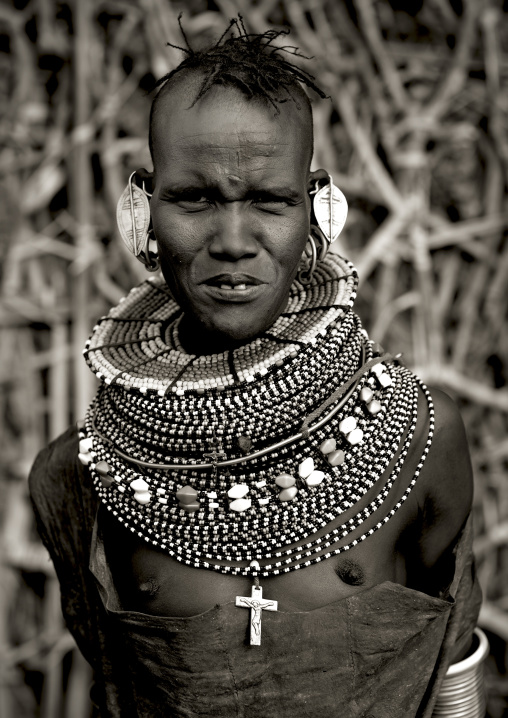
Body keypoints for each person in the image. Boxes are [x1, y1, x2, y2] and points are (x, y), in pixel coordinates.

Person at [29, 21, 481, 718]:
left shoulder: (418, 437)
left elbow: (450, 666)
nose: (233, 243)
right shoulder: (85, 476)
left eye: (270, 201)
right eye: (195, 199)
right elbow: (116, 690)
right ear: (144, 206)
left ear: (316, 206)